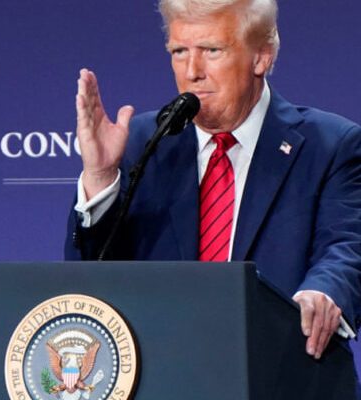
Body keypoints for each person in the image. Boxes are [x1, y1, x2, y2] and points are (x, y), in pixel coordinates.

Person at [64, 0, 361, 362]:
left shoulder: (329, 145)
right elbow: (89, 282)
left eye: (211, 50)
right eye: (179, 51)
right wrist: (100, 177)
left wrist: (323, 293)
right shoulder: (143, 142)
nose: (192, 71)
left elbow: (347, 247)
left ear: (261, 57)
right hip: (164, 373)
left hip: (282, 370)